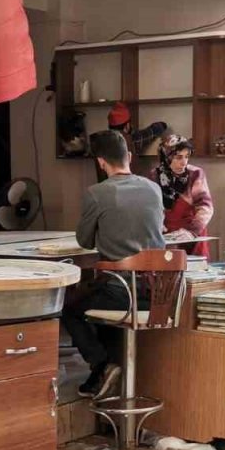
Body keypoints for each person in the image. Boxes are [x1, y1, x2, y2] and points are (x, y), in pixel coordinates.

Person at [63, 130, 166, 399]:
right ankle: (102, 377)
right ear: (129, 157)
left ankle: (102, 365)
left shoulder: (97, 193)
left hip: (122, 292)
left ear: (100, 162)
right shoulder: (153, 188)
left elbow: (84, 241)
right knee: (100, 299)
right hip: (158, 293)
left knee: (70, 308)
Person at [149, 134, 213, 257]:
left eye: (187, 157)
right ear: (166, 157)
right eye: (178, 157)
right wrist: (157, 224)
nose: (184, 162)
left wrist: (192, 231)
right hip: (167, 237)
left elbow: (206, 207)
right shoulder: (154, 175)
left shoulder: (195, 174)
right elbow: (151, 207)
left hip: (192, 235)